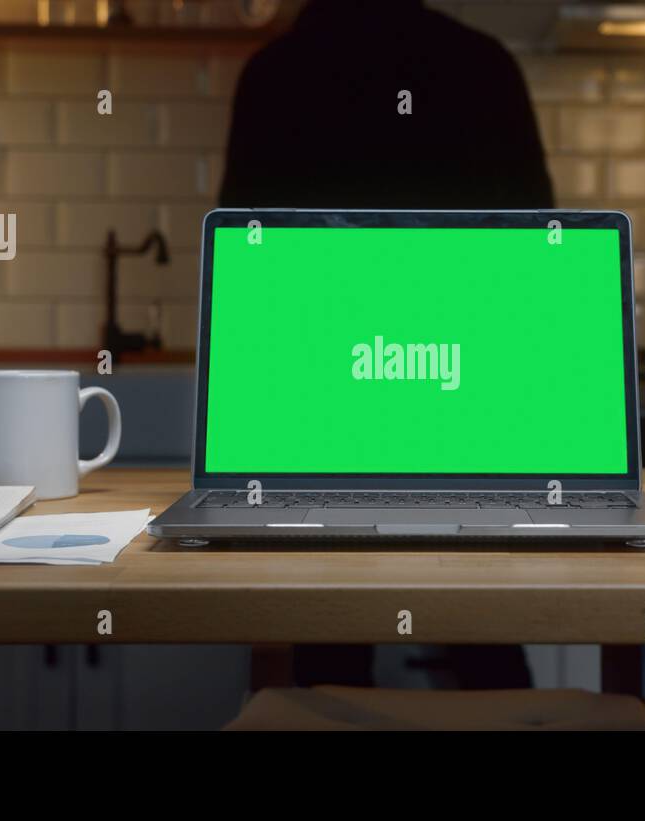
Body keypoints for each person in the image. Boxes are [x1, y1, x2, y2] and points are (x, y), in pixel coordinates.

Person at [219, 0, 554, 689]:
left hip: (324, 412)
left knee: (330, 640)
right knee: (484, 633)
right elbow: (537, 256)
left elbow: (245, 270)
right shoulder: (484, 65)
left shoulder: (275, 73)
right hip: (469, 404)